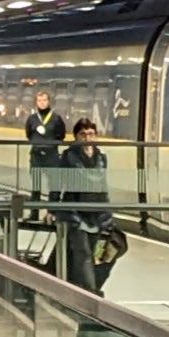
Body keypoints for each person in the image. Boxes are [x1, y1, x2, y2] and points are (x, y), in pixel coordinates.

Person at [56, 117, 112, 289]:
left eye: (91, 134)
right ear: (76, 137)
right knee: (84, 253)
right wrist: (52, 208)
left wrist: (108, 211)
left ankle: (81, 287)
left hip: (98, 211)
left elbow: (103, 185)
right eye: (83, 134)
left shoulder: (101, 158)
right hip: (75, 211)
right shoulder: (68, 157)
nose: (87, 138)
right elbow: (58, 184)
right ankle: (90, 293)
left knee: (97, 253)